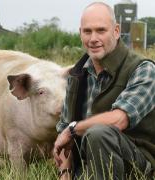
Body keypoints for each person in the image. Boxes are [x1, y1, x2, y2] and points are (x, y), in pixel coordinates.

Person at [53, 2, 155, 180]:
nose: (93, 38)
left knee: (99, 133)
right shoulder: (77, 75)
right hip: (90, 167)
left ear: (116, 31)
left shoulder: (143, 70)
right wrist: (65, 173)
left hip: (137, 167)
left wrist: (73, 129)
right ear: (80, 33)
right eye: (87, 31)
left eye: (101, 30)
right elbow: (63, 136)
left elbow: (118, 120)